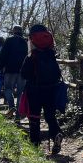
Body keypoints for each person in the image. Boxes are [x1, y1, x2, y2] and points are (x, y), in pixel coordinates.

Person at [20, 24, 63, 152]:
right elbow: (57, 74)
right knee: (50, 115)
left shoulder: (32, 55)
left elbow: (24, 74)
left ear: (32, 39)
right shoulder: (51, 54)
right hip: (51, 90)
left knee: (34, 116)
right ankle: (56, 134)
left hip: (34, 90)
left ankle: (35, 144)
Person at [0, 26, 28, 113]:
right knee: (20, 92)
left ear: (14, 31)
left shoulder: (9, 40)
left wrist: (1, 67)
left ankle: (11, 106)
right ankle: (18, 114)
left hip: (10, 69)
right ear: (21, 31)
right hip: (22, 70)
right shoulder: (26, 42)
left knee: (8, 88)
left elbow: (3, 54)